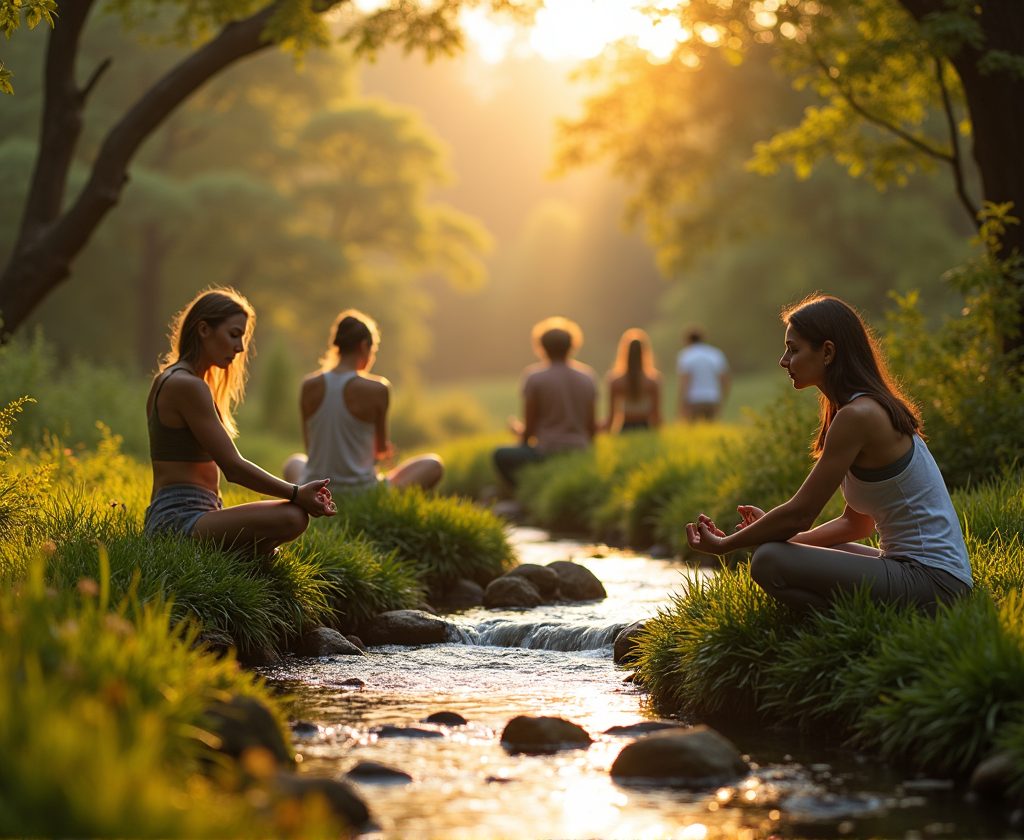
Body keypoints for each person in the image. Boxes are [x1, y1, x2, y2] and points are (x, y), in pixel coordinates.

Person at [684, 294, 973, 614]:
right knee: (778, 549)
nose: (784, 361)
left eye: (793, 350)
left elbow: (799, 514)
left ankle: (850, 624)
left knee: (768, 559)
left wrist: (726, 546)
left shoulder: (859, 415)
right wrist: (774, 535)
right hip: (918, 572)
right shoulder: (852, 411)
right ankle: (857, 619)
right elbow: (855, 524)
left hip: (934, 584)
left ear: (828, 352)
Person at [144, 287, 336, 556]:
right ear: (203, 330)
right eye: (234, 334)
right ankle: (245, 553)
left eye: (243, 337)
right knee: (293, 517)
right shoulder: (186, 385)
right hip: (177, 519)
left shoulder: (174, 379)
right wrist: (296, 493)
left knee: (283, 524)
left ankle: (242, 554)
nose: (241, 347)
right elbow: (233, 468)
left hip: (194, 512)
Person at [282, 309, 443, 492]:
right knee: (433, 464)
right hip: (362, 491)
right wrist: (382, 451)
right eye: (373, 351)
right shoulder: (378, 388)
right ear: (364, 346)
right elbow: (379, 451)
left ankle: (309, 492)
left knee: (293, 462)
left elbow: (311, 448)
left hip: (315, 488)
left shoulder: (308, 385)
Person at [493, 316, 597, 487]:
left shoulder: (535, 377)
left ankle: (523, 489)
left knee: (500, 454)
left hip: (547, 451)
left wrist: (517, 430)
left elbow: (529, 432)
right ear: (572, 345)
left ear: (542, 347)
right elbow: (591, 427)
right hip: (580, 449)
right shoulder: (587, 377)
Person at [603, 328, 661, 433]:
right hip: (646, 428)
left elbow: (611, 416)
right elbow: (656, 415)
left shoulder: (616, 381)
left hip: (625, 429)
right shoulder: (653, 381)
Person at [676, 326, 730, 421]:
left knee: (693, 433)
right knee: (711, 432)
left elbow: (685, 382)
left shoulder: (686, 356)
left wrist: (682, 405)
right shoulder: (715, 354)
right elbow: (724, 379)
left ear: (688, 340)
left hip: (693, 400)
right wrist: (721, 399)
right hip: (712, 398)